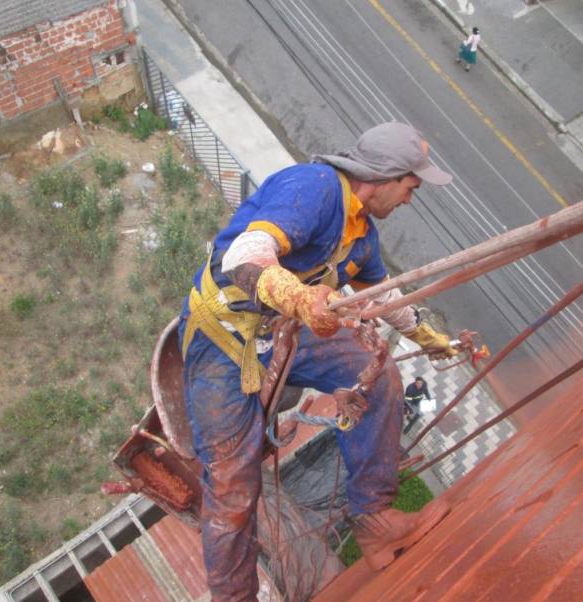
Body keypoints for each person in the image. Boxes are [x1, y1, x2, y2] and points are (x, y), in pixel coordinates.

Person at [178, 122, 458, 601]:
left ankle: (375, 519)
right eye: (410, 187)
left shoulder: (361, 234)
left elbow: (383, 295)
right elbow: (245, 254)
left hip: (284, 331)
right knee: (232, 490)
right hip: (223, 341)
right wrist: (299, 298)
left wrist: (429, 337)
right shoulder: (314, 188)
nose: (410, 199)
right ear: (386, 176)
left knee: (377, 377)